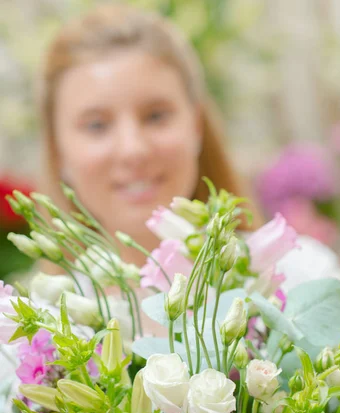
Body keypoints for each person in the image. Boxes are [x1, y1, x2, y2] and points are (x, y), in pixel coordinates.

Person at [37, 4, 263, 267]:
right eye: (96, 126)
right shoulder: (43, 307)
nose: (133, 149)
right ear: (58, 150)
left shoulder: (292, 272)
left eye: (155, 116)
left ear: (196, 125)